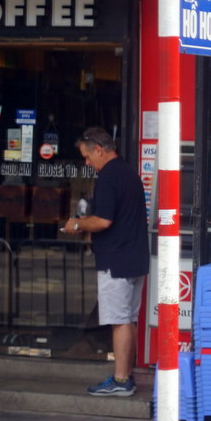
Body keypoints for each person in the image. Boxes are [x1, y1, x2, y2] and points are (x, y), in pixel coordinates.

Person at [62, 127, 150, 397]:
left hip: (117, 259)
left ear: (98, 150)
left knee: (119, 320)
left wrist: (76, 223)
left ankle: (121, 379)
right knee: (128, 319)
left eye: (87, 157)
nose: (87, 163)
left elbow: (103, 220)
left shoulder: (109, 177)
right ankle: (126, 375)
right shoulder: (128, 172)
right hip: (134, 257)